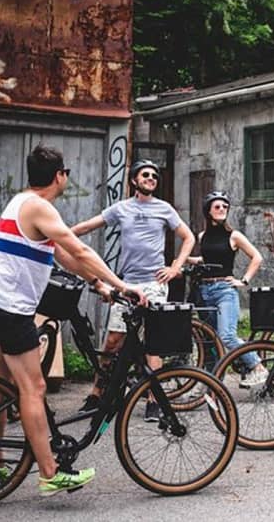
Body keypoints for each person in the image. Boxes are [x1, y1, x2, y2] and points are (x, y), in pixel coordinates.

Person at [0, 144, 146, 496]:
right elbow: (78, 248)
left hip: (2, 305)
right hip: (11, 309)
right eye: (66, 173)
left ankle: (1, 460)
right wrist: (121, 284)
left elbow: (62, 254)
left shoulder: (21, 203)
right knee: (32, 388)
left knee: (3, 388)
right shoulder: (39, 206)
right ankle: (50, 473)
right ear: (59, 176)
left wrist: (98, 284)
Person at [73, 159, 195, 422]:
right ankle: (97, 395)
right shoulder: (122, 208)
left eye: (154, 175)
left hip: (154, 283)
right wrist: (61, 235)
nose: (151, 178)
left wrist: (175, 267)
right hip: (127, 284)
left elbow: (189, 237)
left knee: (154, 344)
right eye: (145, 175)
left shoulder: (165, 209)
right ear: (134, 181)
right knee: (113, 341)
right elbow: (89, 226)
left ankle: (154, 401)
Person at [188, 191, 267, 387]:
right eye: (217, 206)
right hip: (204, 291)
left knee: (227, 335)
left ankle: (258, 367)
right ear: (208, 211)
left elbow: (257, 257)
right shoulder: (202, 236)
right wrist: (185, 260)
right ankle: (213, 382)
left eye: (225, 206)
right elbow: (207, 259)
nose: (222, 209)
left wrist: (244, 280)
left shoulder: (234, 236)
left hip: (225, 290)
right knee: (212, 340)